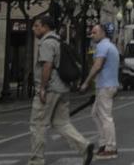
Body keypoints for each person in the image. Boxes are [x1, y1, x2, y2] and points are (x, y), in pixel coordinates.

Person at [29, 15, 94, 165]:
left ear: (45, 27)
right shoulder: (59, 40)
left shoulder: (47, 43)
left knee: (38, 125)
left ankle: (36, 160)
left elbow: (47, 66)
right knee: (62, 123)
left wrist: (42, 88)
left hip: (50, 89)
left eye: (36, 26)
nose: (34, 29)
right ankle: (84, 146)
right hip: (63, 88)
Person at [80, 24, 120, 160]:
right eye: (91, 33)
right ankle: (104, 144)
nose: (92, 35)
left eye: (95, 32)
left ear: (103, 33)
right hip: (107, 84)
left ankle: (110, 147)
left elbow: (98, 65)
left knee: (105, 117)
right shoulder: (111, 46)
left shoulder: (102, 46)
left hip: (105, 86)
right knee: (95, 113)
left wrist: (86, 82)